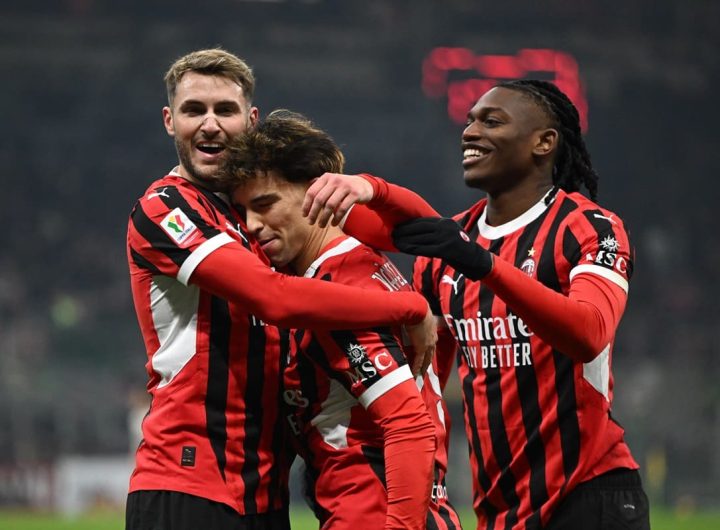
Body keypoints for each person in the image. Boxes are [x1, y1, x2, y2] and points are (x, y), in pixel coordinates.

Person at [303, 80, 650, 529]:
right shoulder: (448, 250)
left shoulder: (588, 227)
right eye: (469, 121)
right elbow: (426, 386)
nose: (469, 131)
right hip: (498, 510)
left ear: (544, 142)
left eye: (492, 121)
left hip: (588, 495)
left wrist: (482, 263)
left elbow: (589, 333)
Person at [125, 48, 436, 530]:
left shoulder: (261, 211)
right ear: (170, 121)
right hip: (189, 480)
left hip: (265, 493)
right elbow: (275, 298)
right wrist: (410, 307)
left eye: (224, 110)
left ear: (249, 120)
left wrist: (368, 186)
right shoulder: (166, 207)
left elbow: (421, 231)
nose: (210, 124)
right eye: (194, 110)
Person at [221, 109, 463, 530]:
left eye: (265, 204)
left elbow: (409, 426)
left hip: (373, 515)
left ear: (317, 193)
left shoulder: (341, 289)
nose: (253, 226)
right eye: (244, 212)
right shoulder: (369, 265)